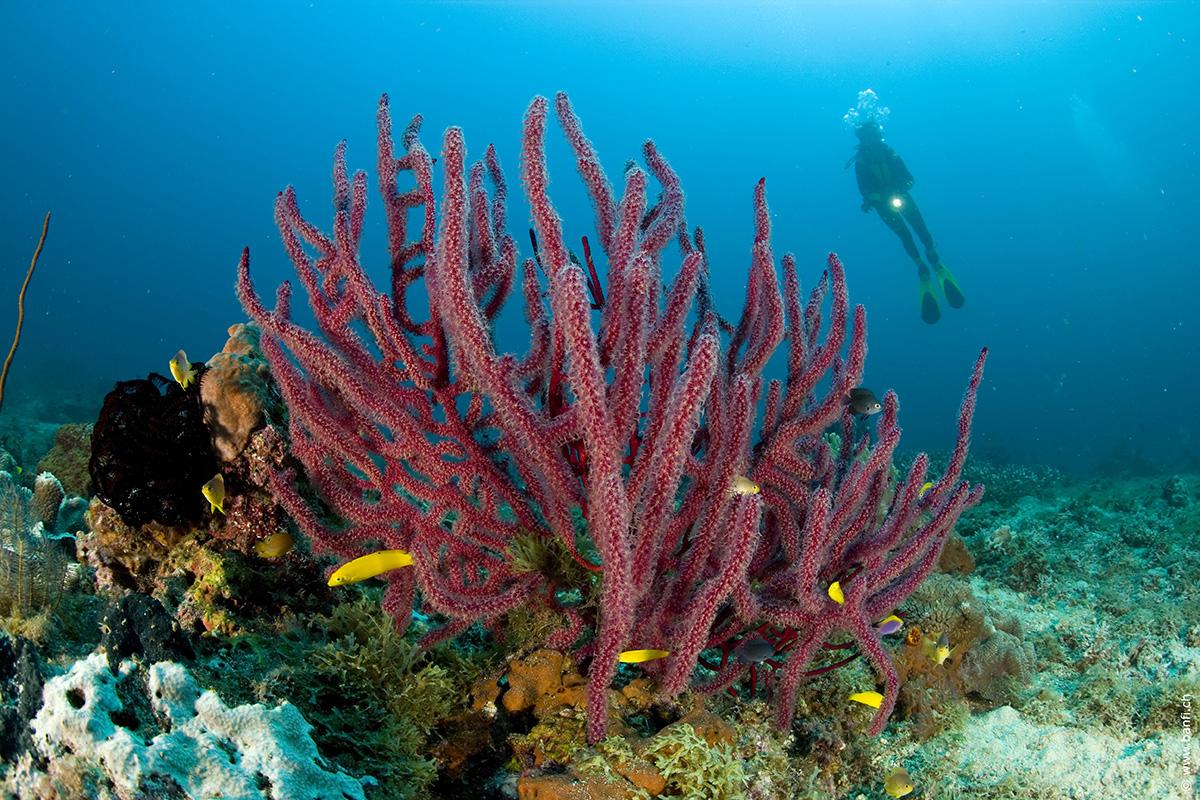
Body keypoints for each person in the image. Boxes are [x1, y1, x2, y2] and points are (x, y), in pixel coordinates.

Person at [852, 121, 964, 324]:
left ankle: (932, 256)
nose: (874, 141)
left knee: (921, 230)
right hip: (883, 205)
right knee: (904, 235)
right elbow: (864, 188)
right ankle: (920, 265)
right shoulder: (861, 163)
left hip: (902, 197)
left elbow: (909, 177)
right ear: (863, 140)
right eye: (869, 138)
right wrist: (871, 200)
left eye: (875, 136)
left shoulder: (891, 154)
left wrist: (901, 187)